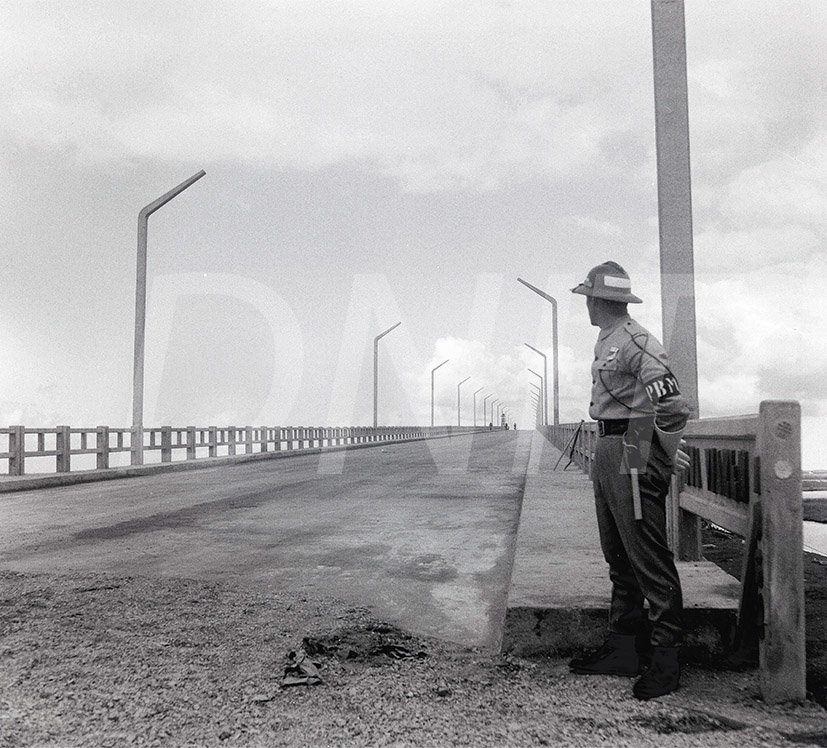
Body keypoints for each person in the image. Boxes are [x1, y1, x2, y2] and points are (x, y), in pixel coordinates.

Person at [567, 261, 691, 701]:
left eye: (587, 298)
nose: (586, 305)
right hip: (608, 443)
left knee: (647, 555)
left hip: (632, 441)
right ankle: (623, 648)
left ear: (597, 300)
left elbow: (672, 404)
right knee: (617, 553)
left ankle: (666, 658)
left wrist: (661, 450)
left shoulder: (638, 342)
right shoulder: (607, 339)